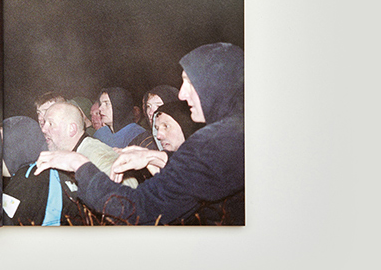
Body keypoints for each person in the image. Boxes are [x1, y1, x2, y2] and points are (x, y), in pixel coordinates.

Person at [34, 43, 245, 225]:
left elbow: (137, 210)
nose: (182, 94)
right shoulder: (238, 131)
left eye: (190, 82)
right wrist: (160, 157)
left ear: (217, 83)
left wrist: (79, 165)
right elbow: (204, 173)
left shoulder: (215, 141)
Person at [3, 102, 136, 226]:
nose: (43, 129)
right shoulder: (66, 153)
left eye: (51, 124)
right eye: (44, 123)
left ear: (71, 129)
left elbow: (129, 193)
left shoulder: (95, 153)